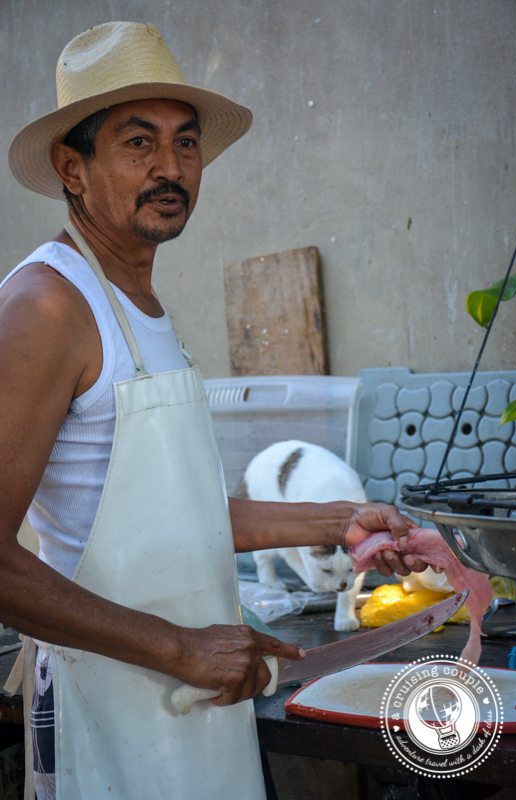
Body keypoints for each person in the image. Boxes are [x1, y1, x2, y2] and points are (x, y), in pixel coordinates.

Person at [1, 21, 428, 800]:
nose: (171, 168)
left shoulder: (141, 304)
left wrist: (340, 520)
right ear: (72, 165)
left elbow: (174, 514)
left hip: (198, 698)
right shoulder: (45, 306)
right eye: (138, 143)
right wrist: (177, 647)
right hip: (113, 706)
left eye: (185, 143)